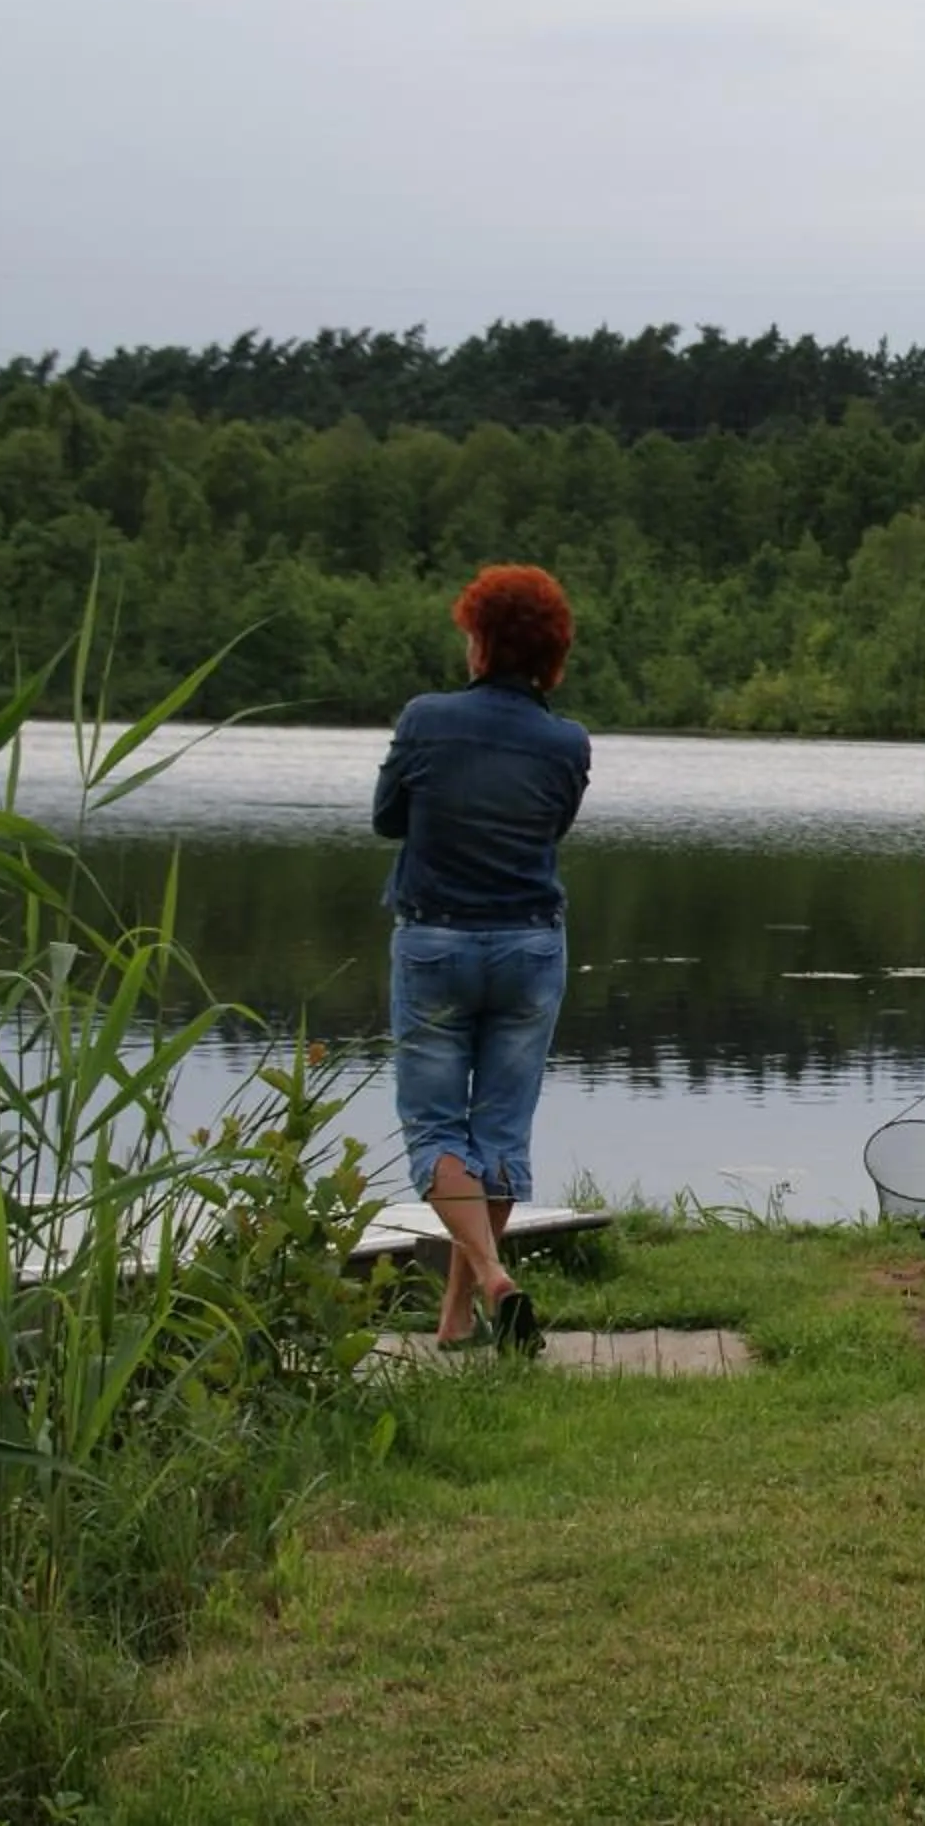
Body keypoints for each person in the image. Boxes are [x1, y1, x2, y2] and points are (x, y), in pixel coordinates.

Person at [373, 564, 591, 1354]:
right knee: (499, 1135)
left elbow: (385, 818)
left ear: (482, 640)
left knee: (435, 1134)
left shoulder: (426, 720)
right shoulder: (568, 742)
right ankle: (459, 1319)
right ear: (548, 650)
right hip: (532, 945)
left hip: (435, 942)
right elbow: (552, 831)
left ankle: (494, 1283)